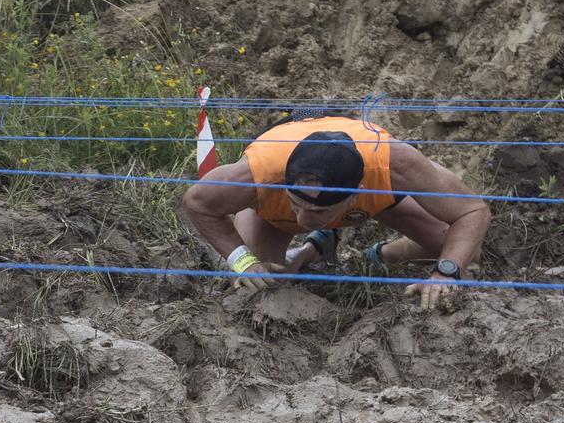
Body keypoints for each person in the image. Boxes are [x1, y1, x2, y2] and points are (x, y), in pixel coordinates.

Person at [179, 115, 491, 310]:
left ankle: (384, 254)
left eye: (314, 212)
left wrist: (445, 274)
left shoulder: (393, 164)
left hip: (369, 192)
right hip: (274, 200)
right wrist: (243, 261)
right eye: (296, 204)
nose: (301, 220)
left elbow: (473, 211)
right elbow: (197, 202)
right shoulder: (259, 174)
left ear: (356, 197)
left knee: (465, 251)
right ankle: (310, 248)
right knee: (257, 289)